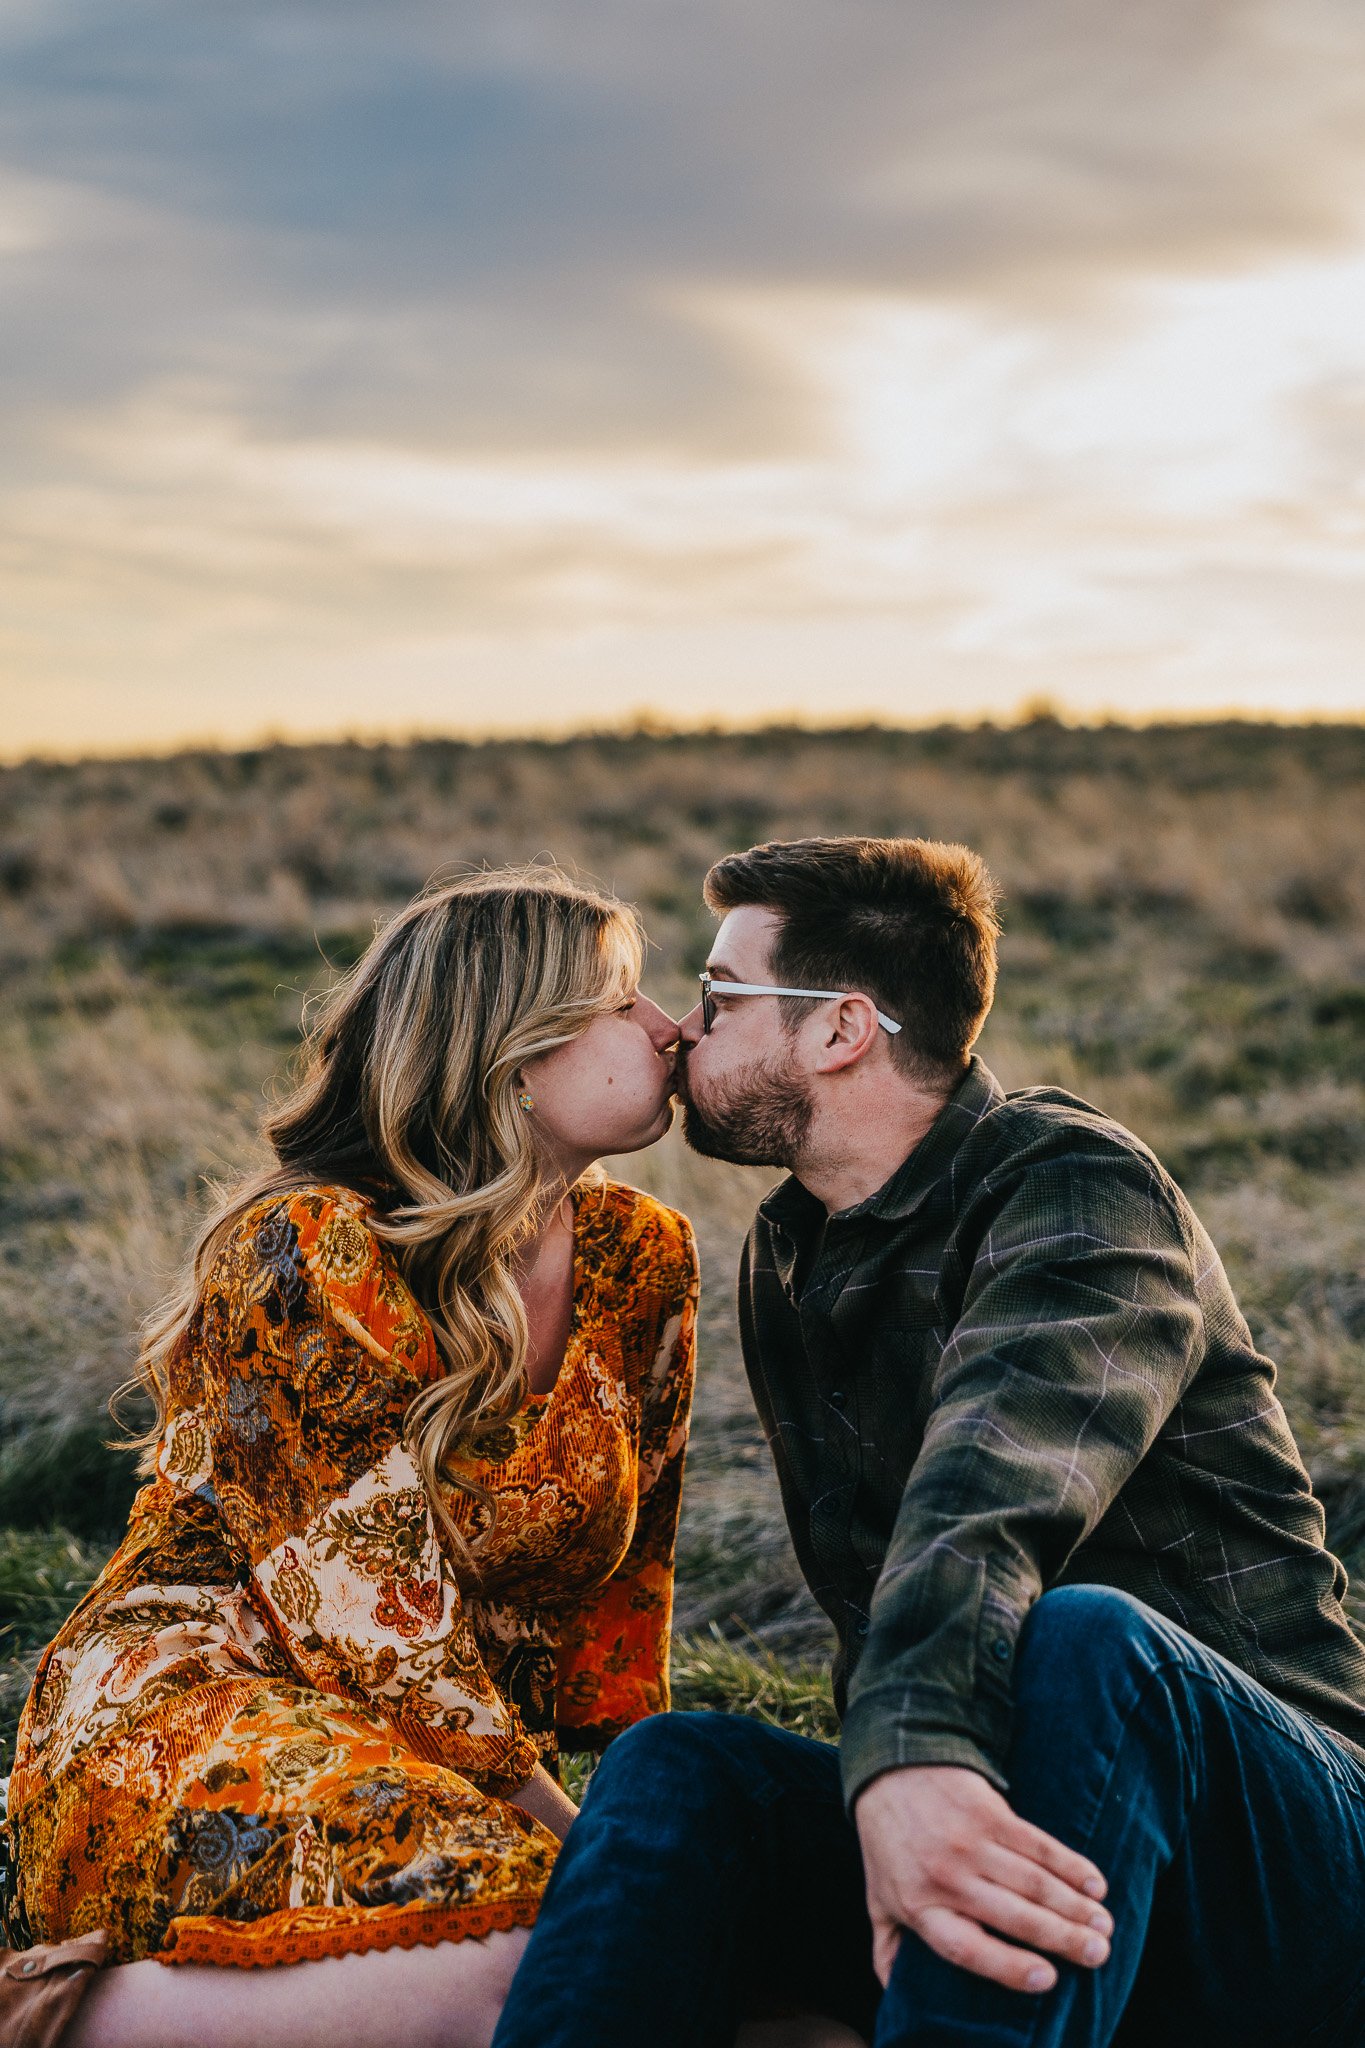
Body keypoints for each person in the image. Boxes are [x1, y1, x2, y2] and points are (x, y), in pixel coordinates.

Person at [490, 835, 1365, 2048]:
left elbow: (986, 1497)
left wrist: (904, 1760)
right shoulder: (790, 1251)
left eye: (722, 994)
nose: (683, 1029)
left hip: (1280, 1858)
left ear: (841, 1028)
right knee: (680, 1769)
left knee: (1086, 1635)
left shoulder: (1076, 1190)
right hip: (1014, 1830)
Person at [1, 868, 702, 2048]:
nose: (670, 1026)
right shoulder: (307, 1249)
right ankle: (49, 2013)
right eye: (623, 1001)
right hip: (195, 1695)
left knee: (703, 1974)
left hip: (447, 1741)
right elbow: (374, 1625)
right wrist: (576, 1833)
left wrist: (646, 1810)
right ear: (515, 1057)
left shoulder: (644, 1257)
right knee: (544, 1943)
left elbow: (623, 1606)